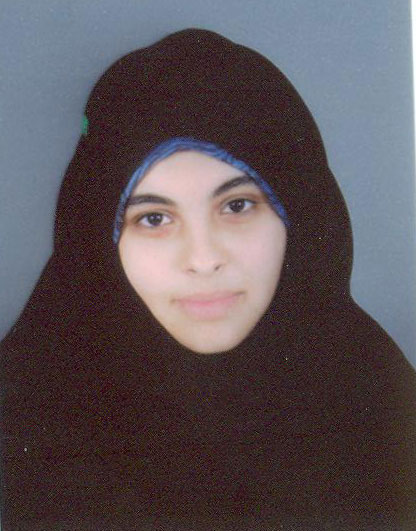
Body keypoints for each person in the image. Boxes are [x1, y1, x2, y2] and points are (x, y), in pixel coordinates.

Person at [1, 28, 415, 530]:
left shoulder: (383, 415)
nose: (202, 259)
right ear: (97, 244)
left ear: (302, 216)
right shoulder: (25, 425)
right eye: (154, 218)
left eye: (237, 206)